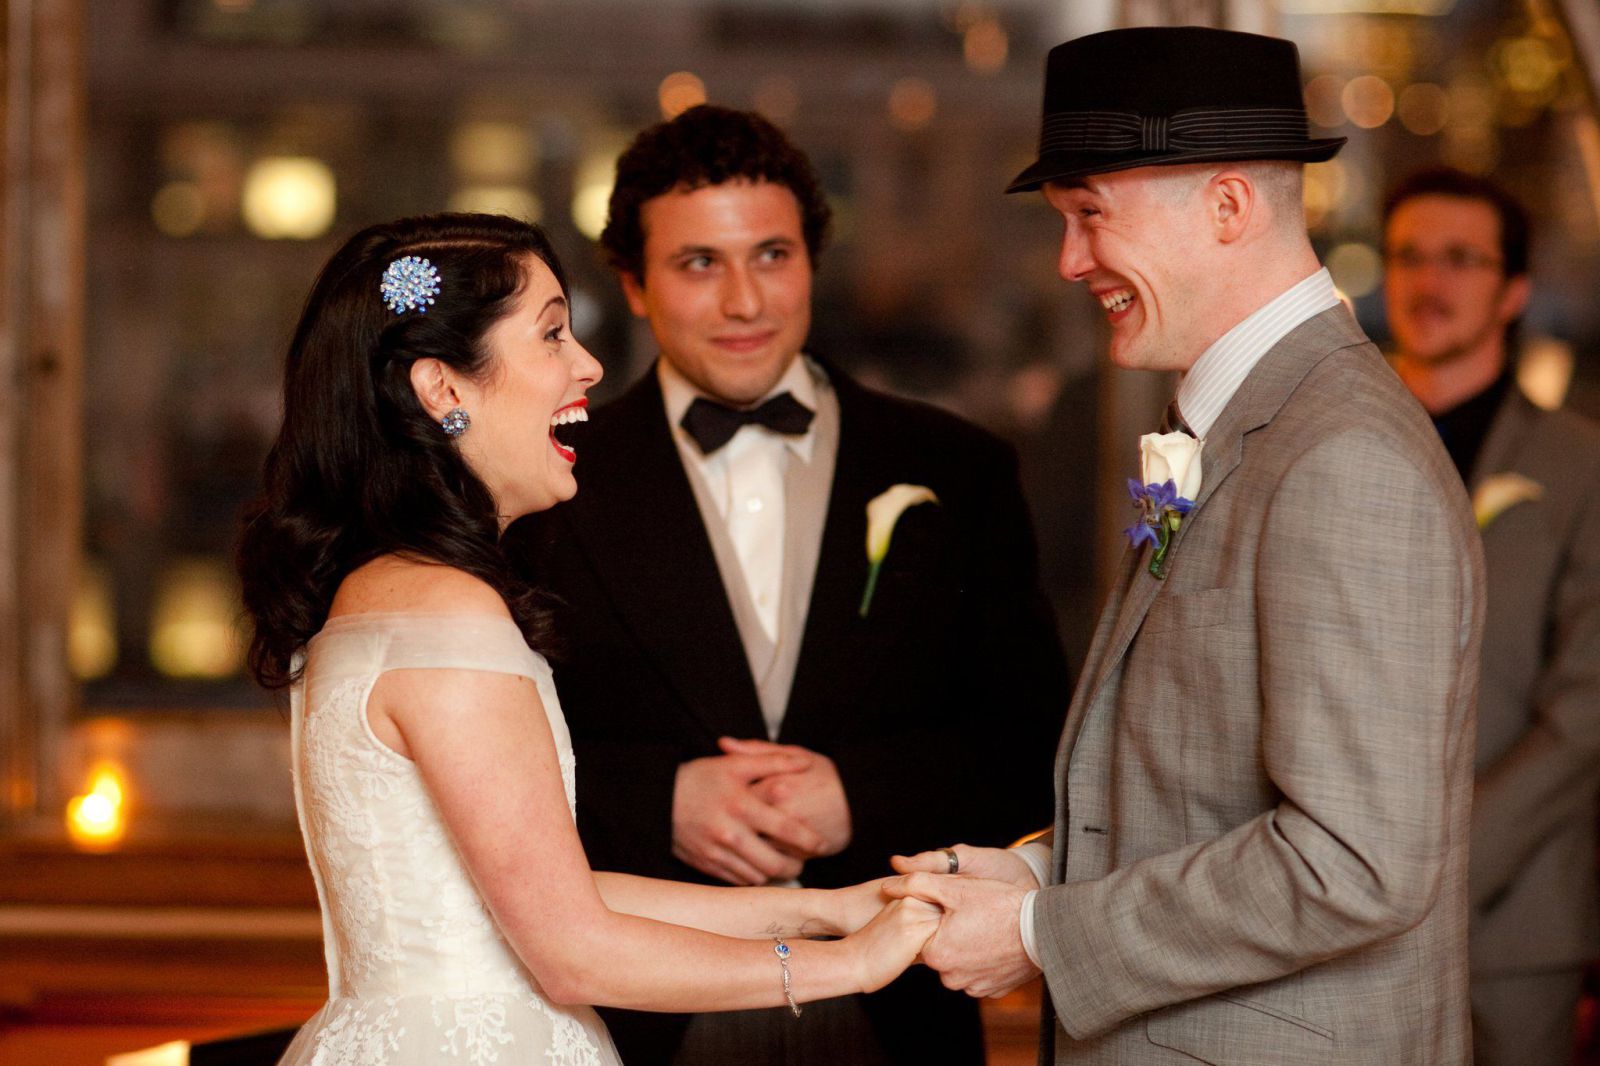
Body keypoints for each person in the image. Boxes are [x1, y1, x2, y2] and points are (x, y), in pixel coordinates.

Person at [885, 27, 1484, 1064]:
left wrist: (1040, 934)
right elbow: (1201, 785)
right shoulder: (1260, 422)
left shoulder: (1343, 457)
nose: (1070, 261)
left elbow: (1354, 861)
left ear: (1226, 206)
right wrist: (1040, 872)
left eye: (1089, 216)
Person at [235, 213, 939, 1066]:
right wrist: (851, 964)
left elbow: (545, 891)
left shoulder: (383, 589)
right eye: (552, 334)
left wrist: (824, 909)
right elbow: (571, 951)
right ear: (442, 389)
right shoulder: (446, 611)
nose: (589, 366)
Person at [503, 105, 1070, 1064]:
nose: (745, 302)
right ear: (635, 286)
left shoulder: (958, 468)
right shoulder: (541, 483)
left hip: (900, 1003)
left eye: (772, 256)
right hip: (629, 1015)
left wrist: (861, 793)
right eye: (698, 264)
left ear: (813, 261)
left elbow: (1035, 741)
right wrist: (660, 801)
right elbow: (485, 747)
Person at [1383, 166, 1600, 1065]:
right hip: (1319, 911)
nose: (1430, 283)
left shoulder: (1581, 463)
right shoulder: (1331, 441)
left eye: (1462, 260)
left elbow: (1587, 711)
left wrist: (1441, 868)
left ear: (1513, 290)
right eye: (1409, 257)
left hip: (1512, 924)